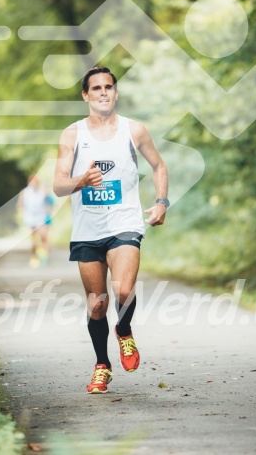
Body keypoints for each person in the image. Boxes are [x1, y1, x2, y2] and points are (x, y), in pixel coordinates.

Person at [53, 66, 169, 394]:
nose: (103, 92)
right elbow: (59, 185)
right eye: (96, 88)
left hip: (125, 224)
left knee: (122, 290)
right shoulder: (72, 135)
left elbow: (159, 165)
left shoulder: (134, 131)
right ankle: (102, 365)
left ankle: (125, 330)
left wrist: (162, 202)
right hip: (87, 230)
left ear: (115, 93)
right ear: (85, 95)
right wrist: (81, 180)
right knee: (97, 303)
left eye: (108, 87)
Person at [17, 175, 50, 266]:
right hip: (30, 218)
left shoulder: (41, 192)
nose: (34, 183)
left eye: (36, 182)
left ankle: (44, 257)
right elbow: (20, 204)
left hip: (41, 218)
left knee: (43, 236)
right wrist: (21, 212)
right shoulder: (25, 192)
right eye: (32, 181)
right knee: (34, 241)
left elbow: (48, 203)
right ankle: (34, 256)